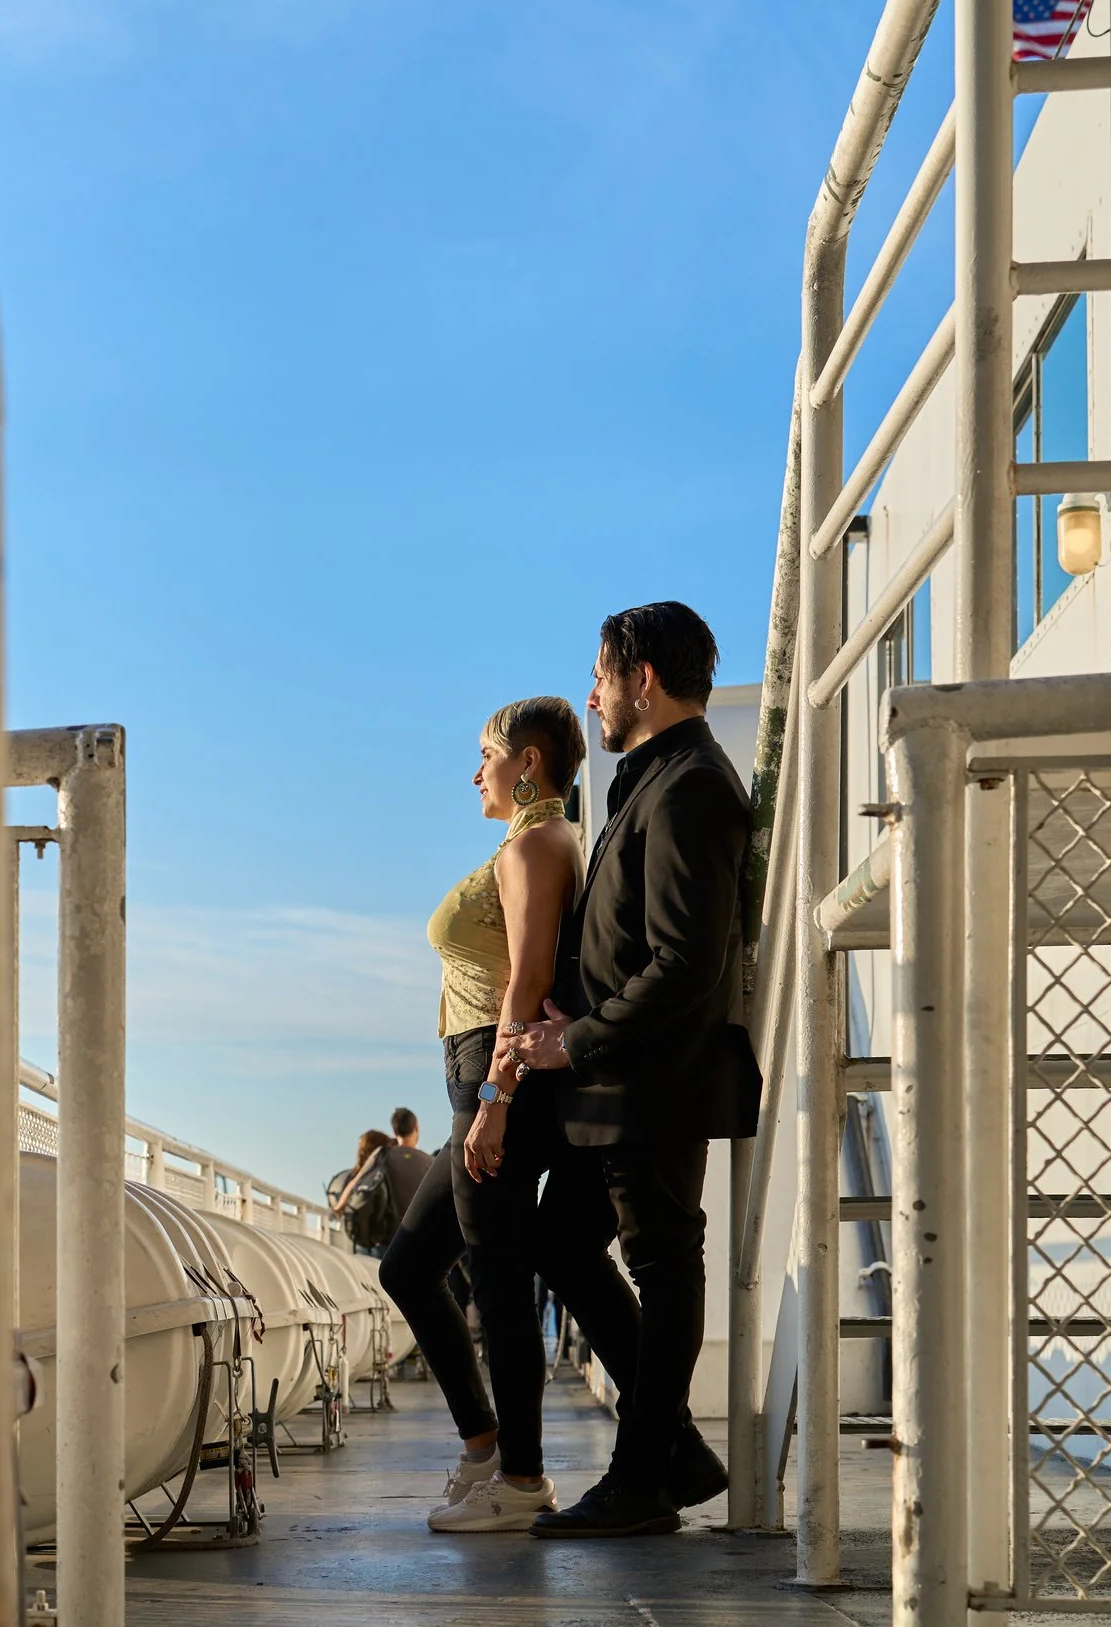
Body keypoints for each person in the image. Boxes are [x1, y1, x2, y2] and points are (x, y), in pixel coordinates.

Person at [500, 601, 754, 1540]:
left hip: (653, 1077)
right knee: (561, 1243)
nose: (592, 692)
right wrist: (577, 1013)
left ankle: (645, 1474)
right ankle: (673, 1449)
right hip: (615, 1078)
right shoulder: (650, 777)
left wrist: (580, 1037)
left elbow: (684, 961)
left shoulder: (691, 783)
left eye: (602, 674)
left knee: (662, 1262)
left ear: (641, 678)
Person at [377, 696, 586, 1533]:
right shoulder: (528, 842)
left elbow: (526, 979)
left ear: (527, 761)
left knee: (498, 1282)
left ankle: (523, 1477)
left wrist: (495, 1097)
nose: (476, 772)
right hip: (475, 1071)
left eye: (486, 755)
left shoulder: (536, 843)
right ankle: (484, 1448)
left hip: (491, 1070)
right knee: (410, 1269)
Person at [332, 1129, 400, 1255]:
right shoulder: (386, 1167)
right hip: (386, 1239)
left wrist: (339, 1205)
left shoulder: (357, 1175)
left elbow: (346, 1197)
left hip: (361, 1239)